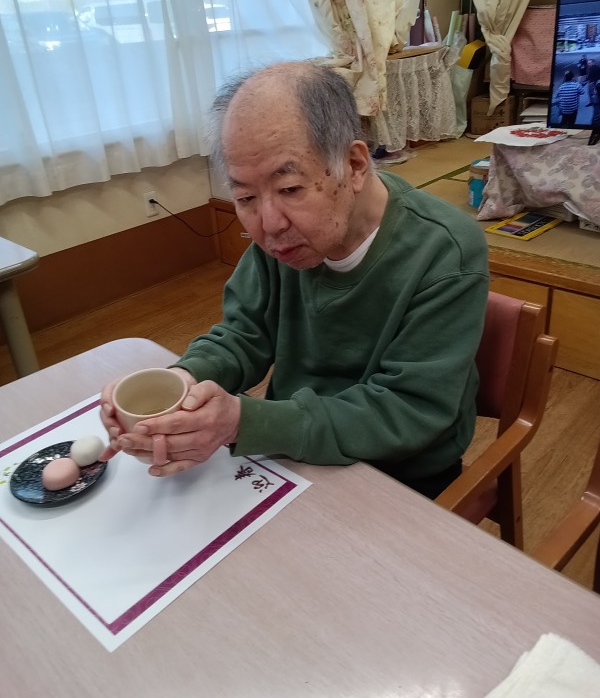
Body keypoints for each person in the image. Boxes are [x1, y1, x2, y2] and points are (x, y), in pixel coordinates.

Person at [99, 62, 490, 499]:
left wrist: (242, 422)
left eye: (290, 189)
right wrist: (180, 385)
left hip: (400, 469)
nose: (268, 224)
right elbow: (243, 335)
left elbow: (409, 410)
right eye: (245, 196)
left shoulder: (445, 250)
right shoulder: (285, 239)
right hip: (295, 445)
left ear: (354, 165)